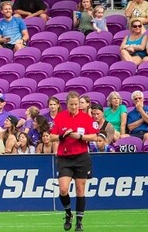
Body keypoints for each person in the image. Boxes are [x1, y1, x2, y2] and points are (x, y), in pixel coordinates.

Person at [49, 91, 98, 232]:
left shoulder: (86, 118)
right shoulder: (60, 117)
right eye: (71, 104)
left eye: (76, 104)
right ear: (67, 104)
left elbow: (94, 136)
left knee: (80, 189)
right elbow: (51, 136)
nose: (74, 107)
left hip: (81, 157)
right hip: (64, 157)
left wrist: (80, 136)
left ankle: (79, 222)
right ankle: (68, 213)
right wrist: (62, 136)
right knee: (63, 189)